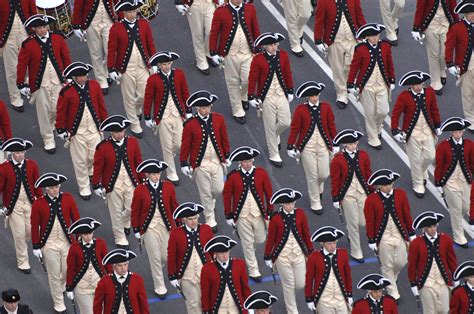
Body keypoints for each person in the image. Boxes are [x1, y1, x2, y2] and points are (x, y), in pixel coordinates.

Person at [16, 14, 71, 154]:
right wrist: (21, 83)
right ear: (34, 29)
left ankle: (53, 124)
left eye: (44, 27)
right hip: (39, 84)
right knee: (43, 112)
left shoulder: (58, 39)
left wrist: (69, 75)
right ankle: (48, 139)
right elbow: (22, 65)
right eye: (39, 28)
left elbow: (66, 58)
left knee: (57, 107)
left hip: (57, 80)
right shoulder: (28, 44)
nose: (42, 30)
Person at [56, 62, 108, 200]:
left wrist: (104, 122)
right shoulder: (66, 92)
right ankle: (84, 186)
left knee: (94, 156)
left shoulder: (94, 86)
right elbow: (61, 112)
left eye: (85, 75)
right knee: (80, 161)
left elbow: (101, 104)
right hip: (77, 131)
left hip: (94, 128)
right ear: (75, 77)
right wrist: (60, 129)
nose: (84, 78)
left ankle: (91, 172)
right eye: (80, 76)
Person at [180, 90, 231, 233]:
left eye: (208, 107)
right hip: (200, 164)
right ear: (197, 108)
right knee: (205, 193)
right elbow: (186, 145)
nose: (206, 110)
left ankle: (210, 203)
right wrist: (184, 162)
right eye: (203, 108)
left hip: (216, 161)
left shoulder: (219, 119)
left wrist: (226, 155)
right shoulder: (190, 124)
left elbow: (224, 139)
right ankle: (210, 218)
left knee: (218, 189)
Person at [31, 173, 80, 313]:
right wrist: (36, 245)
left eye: (57, 187)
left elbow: (76, 220)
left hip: (66, 242)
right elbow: (35, 226)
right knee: (53, 274)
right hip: (49, 243)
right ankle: (59, 303)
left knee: (67, 271)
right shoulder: (38, 203)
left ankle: (62, 286)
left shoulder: (68, 199)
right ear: (46, 189)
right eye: (52, 188)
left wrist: (78, 240)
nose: (55, 190)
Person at [92, 115, 143, 249]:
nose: (120, 134)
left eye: (122, 131)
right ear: (111, 132)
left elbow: (138, 163)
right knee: (115, 213)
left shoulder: (133, 143)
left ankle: (125, 221)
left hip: (130, 182)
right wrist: (96, 184)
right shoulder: (102, 147)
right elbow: (98, 167)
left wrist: (142, 179)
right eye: (116, 132)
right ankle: (119, 237)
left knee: (133, 208)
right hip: (112, 185)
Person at [364, 169, 416, 302]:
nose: (388, 187)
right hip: (383, 238)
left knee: (401, 261)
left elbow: (406, 214)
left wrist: (411, 232)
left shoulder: (401, 195)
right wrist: (371, 239)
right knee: (387, 266)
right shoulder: (371, 200)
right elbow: (370, 221)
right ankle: (393, 292)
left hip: (399, 234)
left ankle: (392, 277)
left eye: (390, 184)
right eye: (385, 185)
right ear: (379, 186)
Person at [107, 0, 156, 138]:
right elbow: (112, 50)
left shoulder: (144, 24)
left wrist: (154, 63)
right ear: (123, 13)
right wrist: (111, 69)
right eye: (129, 12)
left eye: (134, 11)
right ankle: (134, 123)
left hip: (142, 66)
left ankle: (135, 110)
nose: (132, 14)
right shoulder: (116, 28)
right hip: (125, 68)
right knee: (128, 97)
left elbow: (150, 44)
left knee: (145, 94)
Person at [223, 146, 273, 282]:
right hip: (241, 215)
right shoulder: (232, 176)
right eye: (245, 162)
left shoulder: (261, 173)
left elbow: (268, 193)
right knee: (247, 242)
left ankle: (249, 251)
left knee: (261, 238)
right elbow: (227, 196)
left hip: (258, 213)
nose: (248, 164)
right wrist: (228, 214)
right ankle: (253, 269)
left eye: (250, 161)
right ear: (240, 163)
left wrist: (270, 211)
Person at [287, 81, 337, 214]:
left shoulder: (326, 107)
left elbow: (331, 126)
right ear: (308, 97)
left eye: (316, 95)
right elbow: (295, 129)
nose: (315, 98)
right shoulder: (300, 110)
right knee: (312, 176)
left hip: (323, 145)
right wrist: (290, 145)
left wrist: (335, 141)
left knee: (324, 174)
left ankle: (318, 187)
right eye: (312, 96)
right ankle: (315, 202)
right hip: (306, 147)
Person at [131, 159, 178, 299]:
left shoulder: (168, 187)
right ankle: (160, 286)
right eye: (153, 174)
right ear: (147, 175)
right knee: (155, 258)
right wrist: (136, 230)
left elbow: (174, 206)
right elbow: (136, 210)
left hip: (166, 226)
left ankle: (157, 269)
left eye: (158, 173)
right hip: (148, 228)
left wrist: (179, 223)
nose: (156, 176)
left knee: (166, 256)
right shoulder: (140, 190)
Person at [391, 70, 441, 199]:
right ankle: (418, 183)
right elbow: (396, 114)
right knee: (415, 160)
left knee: (430, 156)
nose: (419, 87)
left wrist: (437, 124)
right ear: (411, 85)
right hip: (412, 133)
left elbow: (434, 109)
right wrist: (395, 130)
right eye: (416, 84)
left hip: (427, 131)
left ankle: (420, 172)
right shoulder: (404, 96)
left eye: (421, 84)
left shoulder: (429, 92)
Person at [144, 51, 191, 186]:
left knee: (179, 143)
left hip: (177, 114)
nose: (167, 66)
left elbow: (184, 92)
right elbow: (149, 99)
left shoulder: (179, 74)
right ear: (159, 65)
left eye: (169, 63)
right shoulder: (153, 79)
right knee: (166, 146)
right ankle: (171, 172)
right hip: (162, 117)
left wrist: (188, 110)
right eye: (164, 64)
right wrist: (148, 117)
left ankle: (169, 157)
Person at [209, 0, 260, 124]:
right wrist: (213, 52)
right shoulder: (220, 11)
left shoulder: (250, 9)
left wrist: (258, 47)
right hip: (229, 54)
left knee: (248, 79)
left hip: (247, 52)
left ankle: (243, 96)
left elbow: (255, 28)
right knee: (232, 82)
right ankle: (237, 110)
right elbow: (214, 33)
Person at [248, 32, 294, 168]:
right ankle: (274, 154)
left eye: (275, 45)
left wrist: (290, 90)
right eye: (270, 45)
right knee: (269, 126)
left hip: (281, 94)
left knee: (286, 122)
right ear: (265, 47)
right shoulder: (258, 60)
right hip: (266, 97)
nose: (273, 48)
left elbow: (287, 73)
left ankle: (274, 137)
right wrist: (251, 96)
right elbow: (253, 79)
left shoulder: (284, 56)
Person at [264, 188, 313, 314]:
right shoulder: (275, 218)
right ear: (282, 204)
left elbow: (306, 234)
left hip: (298, 254)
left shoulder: (301, 214)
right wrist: (267, 256)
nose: (291, 206)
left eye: (292, 203)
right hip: (282, 256)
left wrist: (310, 251)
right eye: (288, 204)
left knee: (300, 283)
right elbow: (271, 239)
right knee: (288, 285)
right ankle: (292, 310)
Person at [347, 23, 395, 150]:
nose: (375, 38)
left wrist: (392, 79)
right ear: (367, 37)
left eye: (376, 35)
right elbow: (354, 67)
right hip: (367, 86)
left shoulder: (385, 46)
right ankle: (373, 137)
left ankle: (378, 127)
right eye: (372, 36)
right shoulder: (360, 49)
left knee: (383, 111)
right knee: (370, 113)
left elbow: (389, 63)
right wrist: (350, 83)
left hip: (382, 85)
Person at [314, 0, 366, 109]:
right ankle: (341, 94)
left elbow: (359, 15)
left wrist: (365, 33)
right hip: (334, 41)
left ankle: (347, 83)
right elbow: (319, 20)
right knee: (337, 69)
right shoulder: (323, 2)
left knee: (351, 65)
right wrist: (318, 40)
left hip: (352, 38)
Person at [330, 129, 373, 263]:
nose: (353, 146)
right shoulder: (338, 160)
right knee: (353, 223)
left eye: (355, 143)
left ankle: (349, 230)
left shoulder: (364, 155)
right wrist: (336, 197)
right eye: (350, 144)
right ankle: (356, 251)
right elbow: (335, 180)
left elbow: (367, 174)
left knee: (362, 222)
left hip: (362, 192)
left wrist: (371, 191)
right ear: (344, 145)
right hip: (347, 195)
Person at [0, 138, 41, 274]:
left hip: (30, 203)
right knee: (19, 233)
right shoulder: (4, 168)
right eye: (17, 153)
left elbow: (37, 185)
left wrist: (40, 201)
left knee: (30, 230)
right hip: (14, 205)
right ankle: (23, 261)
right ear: (12, 154)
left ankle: (22, 245)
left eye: (22, 152)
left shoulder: (32, 165)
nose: (20, 155)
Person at [167, 202, 215, 313]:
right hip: (187, 277)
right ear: (183, 219)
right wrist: (172, 276)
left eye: (195, 218)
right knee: (193, 305)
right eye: (190, 219)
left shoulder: (206, 229)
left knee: (210, 302)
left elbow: (213, 251)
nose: (193, 221)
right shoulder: (175, 234)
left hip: (206, 274)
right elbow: (172, 256)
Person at [434, 117, 474, 248]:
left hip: (465, 180)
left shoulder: (469, 144)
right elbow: (439, 165)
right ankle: (459, 235)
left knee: (466, 207)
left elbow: (472, 163)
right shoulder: (443, 146)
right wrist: (438, 183)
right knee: (456, 209)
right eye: (456, 132)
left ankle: (455, 220)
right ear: (451, 132)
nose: (458, 134)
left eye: (460, 132)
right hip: (449, 181)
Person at [408, 211, 458, 314]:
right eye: (429, 227)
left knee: (445, 310)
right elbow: (412, 265)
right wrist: (413, 283)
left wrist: (455, 276)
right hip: (426, 283)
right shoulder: (416, 243)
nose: (433, 229)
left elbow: (452, 260)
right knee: (430, 312)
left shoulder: (446, 239)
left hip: (443, 281)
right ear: (424, 228)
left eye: (434, 226)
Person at [72, 0, 119, 95]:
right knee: (96, 53)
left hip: (108, 19)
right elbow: (78, 4)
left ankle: (106, 70)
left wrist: (122, 16)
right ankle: (101, 80)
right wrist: (76, 25)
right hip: (91, 22)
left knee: (111, 50)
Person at [65, 217, 112, 314]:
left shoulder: (101, 244)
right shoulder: (74, 248)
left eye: (90, 233)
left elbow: (107, 264)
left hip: (99, 285)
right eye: (86, 234)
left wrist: (112, 280)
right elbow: (71, 269)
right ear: (81, 235)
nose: (88, 237)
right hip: (82, 288)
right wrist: (69, 287)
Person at [412, 0, 458, 95]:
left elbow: (453, 6)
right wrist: (416, 28)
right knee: (434, 54)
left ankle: (441, 70)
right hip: (431, 25)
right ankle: (435, 81)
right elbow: (420, 8)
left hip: (446, 24)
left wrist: (457, 23)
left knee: (444, 54)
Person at [305, 226, 353, 313]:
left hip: (341, 298)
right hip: (324, 301)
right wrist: (309, 298)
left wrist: (349, 294)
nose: (333, 246)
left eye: (334, 243)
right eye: (329, 244)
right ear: (322, 243)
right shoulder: (314, 257)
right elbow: (309, 279)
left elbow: (347, 276)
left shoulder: (343, 254)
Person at [0, 0, 36, 113]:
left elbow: (32, 11)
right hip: (8, 37)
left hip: (25, 33)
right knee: (12, 70)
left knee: (29, 65)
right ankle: (15, 98)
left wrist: (35, 30)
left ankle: (26, 86)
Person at [200, 235, 251, 313]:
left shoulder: (240, 264)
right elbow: (205, 293)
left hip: (237, 309)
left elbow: (245, 288)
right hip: (219, 310)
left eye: (226, 252)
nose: (225, 255)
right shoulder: (207, 269)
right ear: (215, 253)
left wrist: (250, 306)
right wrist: (206, 310)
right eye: (221, 253)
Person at [445, 1, 474, 132]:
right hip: (466, 65)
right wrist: (449, 63)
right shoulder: (457, 27)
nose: (472, 16)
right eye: (470, 13)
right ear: (465, 14)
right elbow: (449, 46)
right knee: (468, 94)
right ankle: (471, 120)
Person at [93, 249, 149, 313]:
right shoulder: (104, 283)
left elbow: (143, 304)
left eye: (125, 264)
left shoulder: (137, 280)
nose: (123, 268)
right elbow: (97, 306)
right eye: (120, 265)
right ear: (114, 266)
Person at [174, 0, 218, 75]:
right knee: (198, 34)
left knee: (211, 31)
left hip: (210, 3)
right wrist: (178, 2)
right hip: (194, 4)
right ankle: (201, 61)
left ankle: (208, 53)